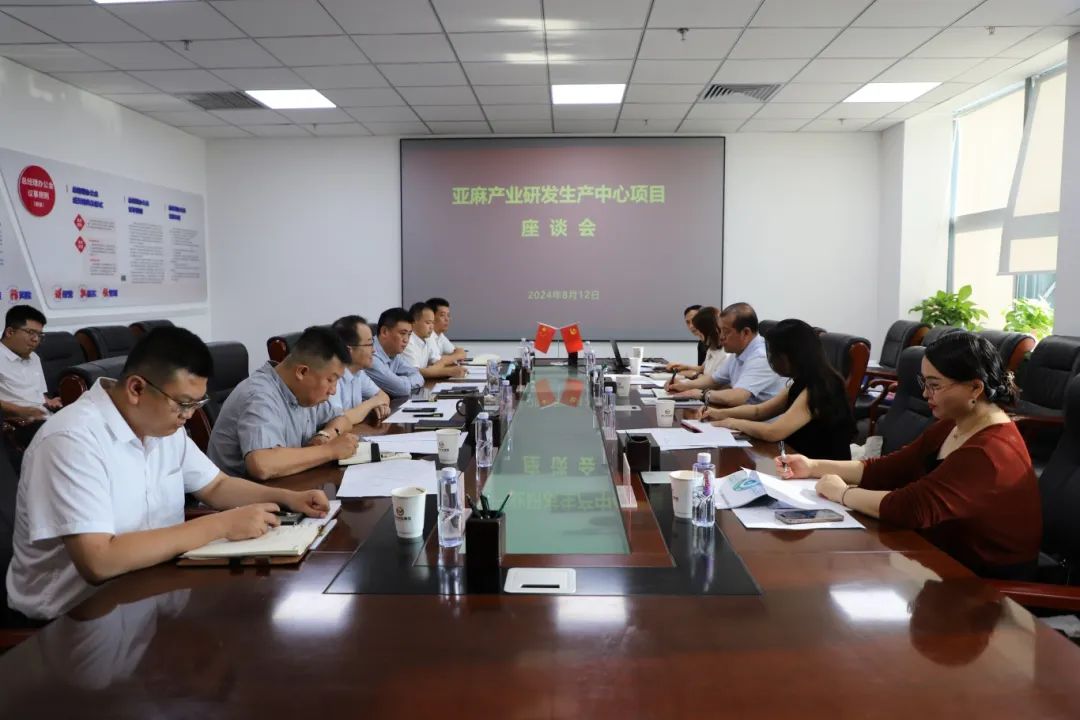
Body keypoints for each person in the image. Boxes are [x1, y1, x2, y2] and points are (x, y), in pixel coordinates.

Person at [5, 327, 332, 620]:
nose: (189, 416)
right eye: (184, 404)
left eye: (197, 404)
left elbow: (216, 486)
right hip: (74, 616)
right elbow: (99, 561)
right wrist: (220, 525)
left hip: (150, 590)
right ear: (136, 388)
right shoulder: (72, 440)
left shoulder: (161, 426)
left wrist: (288, 498)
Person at [778, 332, 1041, 580]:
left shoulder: (990, 451)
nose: (926, 394)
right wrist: (812, 466)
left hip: (983, 584)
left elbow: (911, 508)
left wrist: (842, 493)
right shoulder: (954, 423)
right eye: (924, 383)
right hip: (939, 557)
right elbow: (889, 468)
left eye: (934, 385)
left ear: (974, 388)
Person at [207, 326, 358, 480]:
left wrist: (326, 434)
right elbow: (262, 465)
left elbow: (342, 419)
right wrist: (329, 450)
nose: (333, 391)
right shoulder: (260, 395)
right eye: (331, 380)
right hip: (240, 493)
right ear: (302, 372)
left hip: (285, 485)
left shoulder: (303, 393)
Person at [702, 319, 854, 460]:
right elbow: (759, 411)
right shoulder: (803, 380)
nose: (771, 360)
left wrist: (732, 423)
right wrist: (719, 414)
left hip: (823, 470)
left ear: (793, 355)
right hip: (799, 459)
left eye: (774, 354)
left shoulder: (819, 388)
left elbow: (774, 432)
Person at [668, 302, 786, 407]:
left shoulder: (761, 357)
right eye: (720, 331)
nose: (721, 337)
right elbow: (713, 380)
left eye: (726, 332)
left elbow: (736, 397)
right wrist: (683, 385)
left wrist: (702, 394)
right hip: (740, 415)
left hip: (758, 422)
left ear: (745, 333)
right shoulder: (738, 352)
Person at [0, 305, 62, 424]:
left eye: (39, 335)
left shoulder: (34, 357)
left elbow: (37, 394)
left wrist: (49, 401)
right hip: (16, 424)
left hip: (45, 418)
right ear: (10, 332)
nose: (36, 339)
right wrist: (20, 411)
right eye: (31, 332)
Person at [329, 315, 392, 425]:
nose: (374, 350)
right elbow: (338, 420)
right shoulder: (331, 377)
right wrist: (372, 403)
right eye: (369, 344)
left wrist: (374, 405)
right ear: (348, 350)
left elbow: (383, 396)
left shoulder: (358, 372)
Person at [367, 307, 424, 398]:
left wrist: (400, 381)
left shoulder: (394, 353)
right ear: (384, 332)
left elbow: (418, 375)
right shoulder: (370, 356)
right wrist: (401, 382)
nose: (406, 340)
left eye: (409, 334)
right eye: (402, 333)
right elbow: (401, 389)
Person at [401, 302, 468, 380]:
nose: (431, 327)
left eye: (433, 323)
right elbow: (415, 372)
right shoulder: (408, 341)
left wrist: (437, 367)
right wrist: (449, 371)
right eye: (428, 323)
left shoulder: (426, 339)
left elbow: (438, 362)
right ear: (414, 322)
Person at [427, 297, 467, 363]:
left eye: (448, 315)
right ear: (431, 317)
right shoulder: (427, 336)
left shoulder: (440, 335)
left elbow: (456, 351)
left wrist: (458, 354)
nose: (447, 319)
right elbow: (437, 362)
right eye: (442, 315)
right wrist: (458, 355)